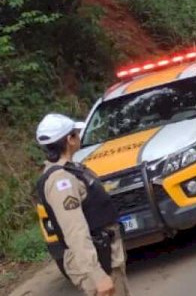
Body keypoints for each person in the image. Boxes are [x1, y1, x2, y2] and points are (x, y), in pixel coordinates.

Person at [35, 114, 129, 296]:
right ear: (69, 140)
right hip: (99, 262)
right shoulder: (61, 180)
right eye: (76, 133)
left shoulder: (71, 170)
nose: (79, 136)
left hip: (107, 255)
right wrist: (97, 275)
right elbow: (75, 232)